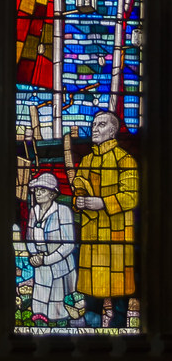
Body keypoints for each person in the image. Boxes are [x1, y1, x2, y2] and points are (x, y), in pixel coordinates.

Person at [72, 110, 138, 328]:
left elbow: (131, 195)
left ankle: (118, 330)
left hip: (115, 235)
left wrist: (103, 203)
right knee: (91, 288)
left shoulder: (125, 160)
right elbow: (79, 185)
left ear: (112, 131)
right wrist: (79, 200)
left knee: (118, 287)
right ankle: (90, 329)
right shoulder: (87, 160)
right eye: (93, 124)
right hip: (92, 234)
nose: (95, 128)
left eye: (101, 125)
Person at [25, 171, 77, 325]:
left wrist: (46, 259)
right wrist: (34, 255)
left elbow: (68, 244)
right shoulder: (33, 212)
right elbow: (29, 237)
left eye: (43, 190)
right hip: (41, 266)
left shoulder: (63, 212)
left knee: (58, 309)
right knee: (40, 306)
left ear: (53, 194)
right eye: (37, 190)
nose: (38, 194)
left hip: (61, 267)